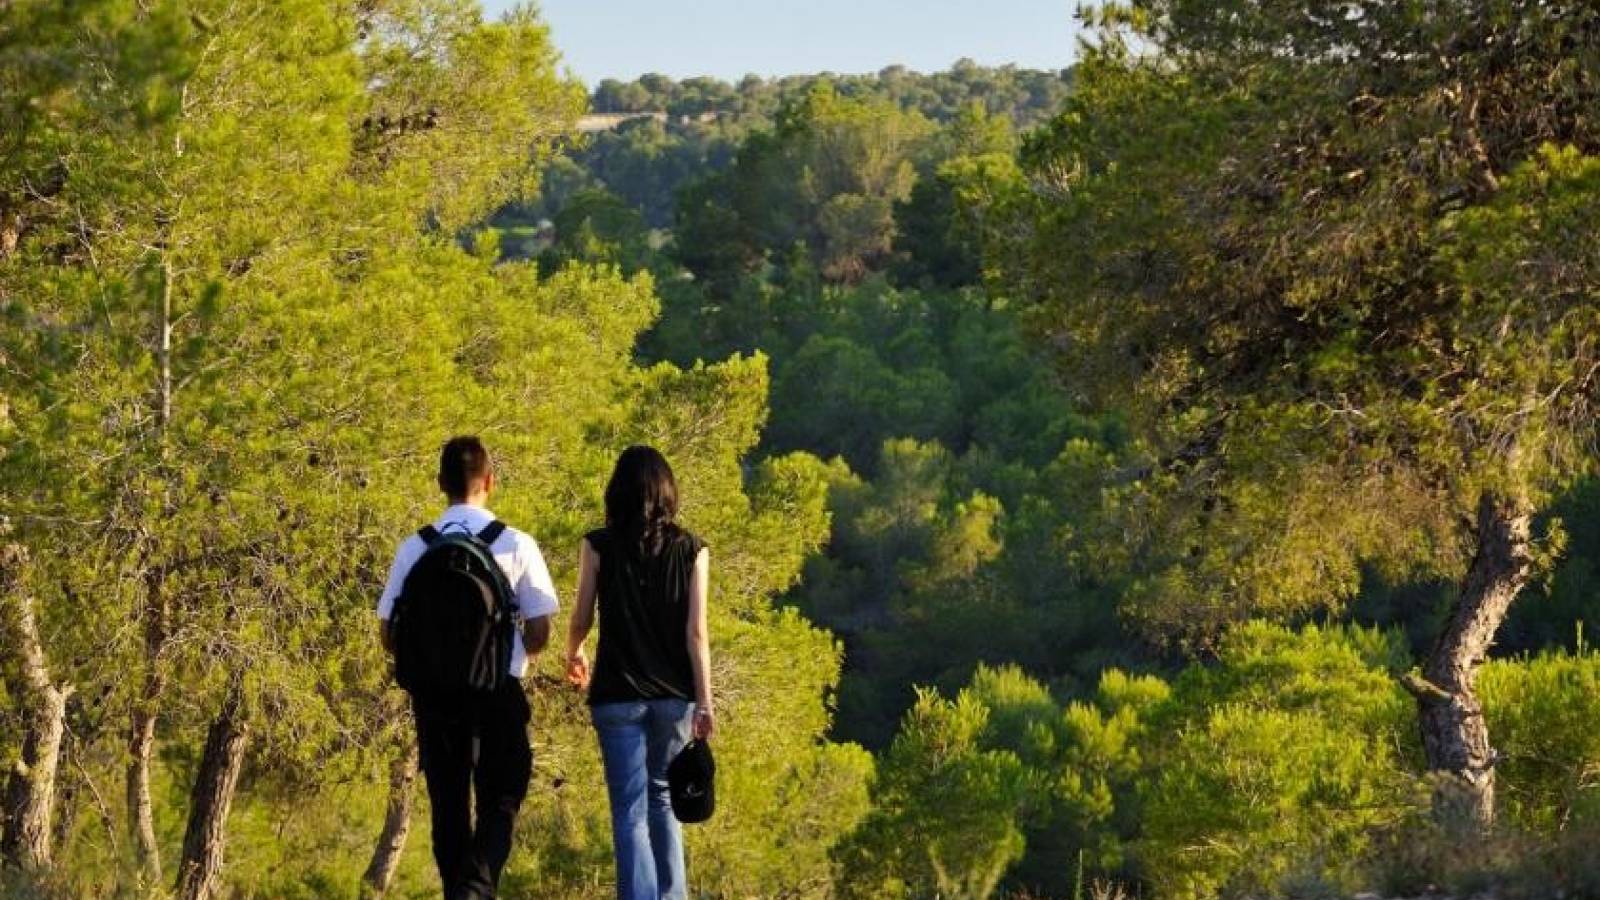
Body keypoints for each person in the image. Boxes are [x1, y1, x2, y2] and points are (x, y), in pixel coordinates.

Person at [377, 436, 558, 900]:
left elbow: (387, 633)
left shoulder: (414, 548)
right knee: (503, 792)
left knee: (448, 802)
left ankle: (460, 888)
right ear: (490, 482)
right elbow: (540, 632)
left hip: (434, 697)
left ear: (440, 484)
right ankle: (476, 887)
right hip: (498, 689)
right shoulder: (516, 544)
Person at [565, 445, 714, 900]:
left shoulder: (597, 545)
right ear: (669, 492)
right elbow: (696, 634)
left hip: (616, 693)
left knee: (629, 810)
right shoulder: (693, 549)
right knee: (664, 800)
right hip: (674, 696)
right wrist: (705, 700)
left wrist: (574, 651)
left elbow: (582, 615)